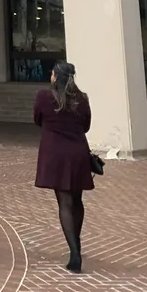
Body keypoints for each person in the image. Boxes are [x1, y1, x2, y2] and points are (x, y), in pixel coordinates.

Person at [34, 61, 93, 274]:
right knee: (77, 200)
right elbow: (86, 126)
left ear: (54, 77)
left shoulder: (44, 97)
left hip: (55, 155)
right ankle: (76, 243)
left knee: (64, 202)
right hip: (78, 153)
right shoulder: (82, 99)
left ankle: (74, 252)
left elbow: (37, 119)